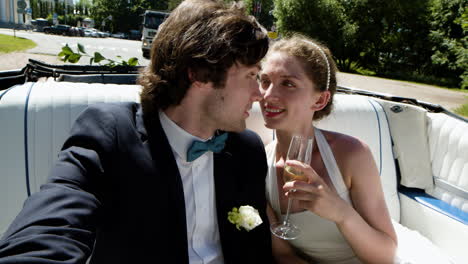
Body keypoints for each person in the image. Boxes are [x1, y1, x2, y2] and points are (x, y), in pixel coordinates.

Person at [0, 1, 272, 263]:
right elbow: (53, 223)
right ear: (199, 74)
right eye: (251, 76)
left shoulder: (247, 150)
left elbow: (255, 246)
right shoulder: (110, 134)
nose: (259, 94)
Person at [258, 34, 397, 264]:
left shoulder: (351, 155)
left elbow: (386, 255)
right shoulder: (261, 164)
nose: (268, 95)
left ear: (320, 100)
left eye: (288, 83)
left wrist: (340, 213)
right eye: (264, 81)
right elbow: (283, 255)